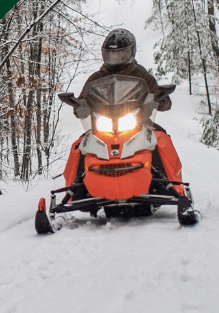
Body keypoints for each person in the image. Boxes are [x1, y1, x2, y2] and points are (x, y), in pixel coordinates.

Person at [65, 28, 186, 196]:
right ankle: (74, 189)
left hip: (137, 121)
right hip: (103, 124)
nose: (116, 57)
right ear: (105, 55)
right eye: (112, 54)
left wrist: (161, 98)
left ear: (130, 53)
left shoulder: (141, 74)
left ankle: (173, 185)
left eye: (121, 53)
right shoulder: (96, 78)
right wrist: (78, 104)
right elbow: (83, 100)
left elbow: (161, 99)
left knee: (161, 138)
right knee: (79, 146)